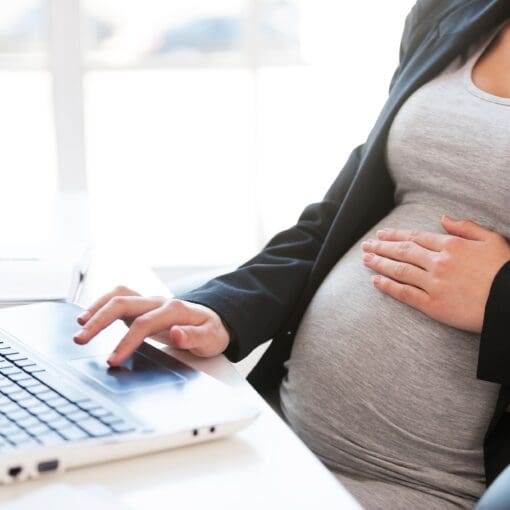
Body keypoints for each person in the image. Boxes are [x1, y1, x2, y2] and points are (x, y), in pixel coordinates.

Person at [73, 1, 510, 508]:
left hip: (425, 489)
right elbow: (337, 220)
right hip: (277, 439)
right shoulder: (458, 12)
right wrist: (221, 309)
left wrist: (498, 298)